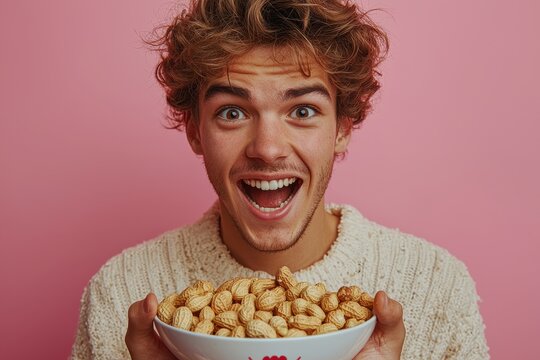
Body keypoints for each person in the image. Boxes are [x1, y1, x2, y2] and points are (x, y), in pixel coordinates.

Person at [71, 0, 489, 359]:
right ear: (195, 130)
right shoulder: (121, 290)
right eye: (232, 112)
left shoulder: (436, 287)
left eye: (303, 110)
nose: (267, 149)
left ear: (342, 128)